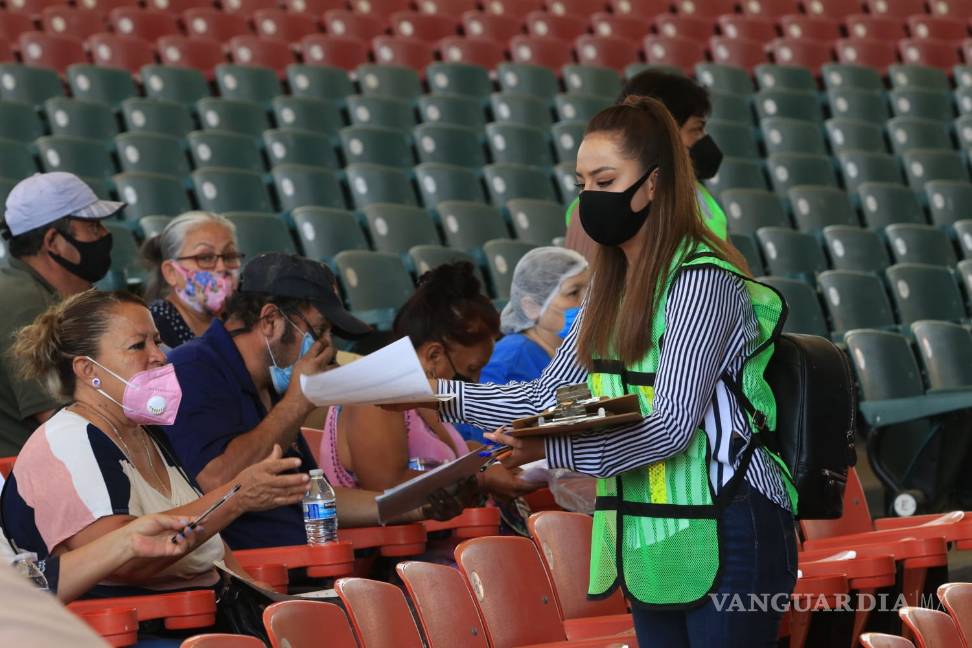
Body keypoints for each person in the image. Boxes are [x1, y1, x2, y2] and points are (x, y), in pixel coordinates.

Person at [434, 97, 798, 647]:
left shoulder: (702, 282)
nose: (590, 199)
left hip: (733, 522)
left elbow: (672, 425)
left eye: (605, 180)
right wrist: (434, 395)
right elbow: (548, 394)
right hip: (652, 530)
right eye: (582, 184)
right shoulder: (608, 287)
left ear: (653, 184)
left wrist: (550, 450)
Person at [1, 290, 310, 599]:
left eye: (157, 341)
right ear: (88, 370)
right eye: (138, 346)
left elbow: (211, 549)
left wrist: (262, 597)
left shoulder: (147, 432)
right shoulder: (69, 441)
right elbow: (129, 560)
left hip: (209, 612)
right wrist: (236, 498)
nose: (159, 355)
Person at [164, 253, 454, 550]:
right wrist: (299, 402)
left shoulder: (273, 381)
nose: (328, 348)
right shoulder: (193, 369)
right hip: (249, 581)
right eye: (320, 330)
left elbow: (308, 494)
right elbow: (218, 482)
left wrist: (415, 506)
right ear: (271, 320)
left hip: (307, 568)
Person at [319, 262, 536, 503]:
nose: (475, 384)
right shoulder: (378, 395)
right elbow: (385, 485)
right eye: (470, 370)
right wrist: (481, 478)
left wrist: (497, 457)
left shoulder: (422, 400)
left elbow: (449, 457)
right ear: (434, 355)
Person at [0, 172, 120, 456]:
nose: (104, 235)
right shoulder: (23, 302)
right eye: (93, 227)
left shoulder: (43, 293)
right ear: (53, 241)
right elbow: (58, 419)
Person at [565, 71, 729, 260]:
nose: (703, 139)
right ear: (667, 131)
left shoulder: (699, 195)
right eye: (696, 129)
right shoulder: (603, 210)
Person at [480, 247, 590, 384]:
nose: (588, 301)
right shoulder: (509, 360)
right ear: (531, 307)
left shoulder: (585, 349)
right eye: (573, 293)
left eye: (590, 290)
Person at [141, 212, 242, 350]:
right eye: (205, 257)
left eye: (230, 256)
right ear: (171, 272)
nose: (222, 267)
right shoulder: (154, 326)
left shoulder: (244, 318)